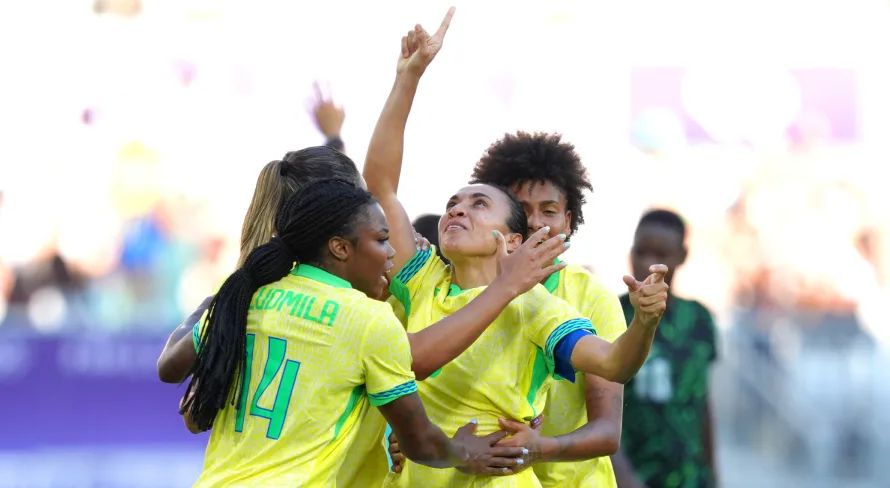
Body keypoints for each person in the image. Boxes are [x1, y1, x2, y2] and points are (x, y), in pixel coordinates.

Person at [364, 9, 669, 486]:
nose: (457, 210)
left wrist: (646, 321)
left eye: (478, 203)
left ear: (512, 238)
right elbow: (381, 184)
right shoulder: (423, 277)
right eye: (452, 203)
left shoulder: (537, 306)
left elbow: (614, 363)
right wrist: (408, 78)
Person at [182, 179, 530, 486]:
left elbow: (175, 380)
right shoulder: (369, 319)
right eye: (381, 240)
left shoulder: (250, 294)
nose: (392, 251)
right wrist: (463, 452)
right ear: (340, 247)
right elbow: (420, 440)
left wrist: (202, 313)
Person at [464, 130, 629, 487]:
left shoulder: (593, 299)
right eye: (522, 211)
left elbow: (607, 432)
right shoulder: (463, 289)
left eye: (549, 211)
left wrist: (541, 448)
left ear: (568, 222)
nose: (537, 222)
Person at [611, 209, 719, 488]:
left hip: (689, 476)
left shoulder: (699, 319)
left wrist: (713, 474)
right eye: (641, 252)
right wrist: (624, 478)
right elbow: (592, 407)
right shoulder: (608, 313)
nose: (649, 264)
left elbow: (702, 402)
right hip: (630, 475)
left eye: (661, 255)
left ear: (682, 257)